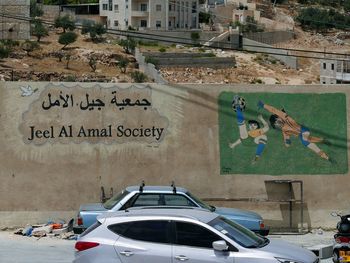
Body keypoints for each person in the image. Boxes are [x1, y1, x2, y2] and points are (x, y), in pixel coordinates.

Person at [257, 100, 330, 161]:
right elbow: (286, 139)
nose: (278, 124)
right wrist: (287, 142)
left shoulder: (285, 117)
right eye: (276, 125)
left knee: (304, 140)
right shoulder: (283, 129)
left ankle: (322, 142)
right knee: (306, 142)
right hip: (302, 135)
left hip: (303, 130)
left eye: (277, 121)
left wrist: (263, 105)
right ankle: (323, 152)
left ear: (278, 118)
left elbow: (274, 110)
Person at [229, 95, 269, 162]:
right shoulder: (248, 132)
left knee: (264, 136)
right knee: (243, 129)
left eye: (254, 125)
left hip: (255, 141)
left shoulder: (260, 131)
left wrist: (262, 119)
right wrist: (234, 144)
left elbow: (267, 127)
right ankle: (238, 107)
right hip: (247, 140)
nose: (252, 126)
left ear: (257, 126)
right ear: (249, 127)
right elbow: (241, 138)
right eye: (250, 125)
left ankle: (257, 156)